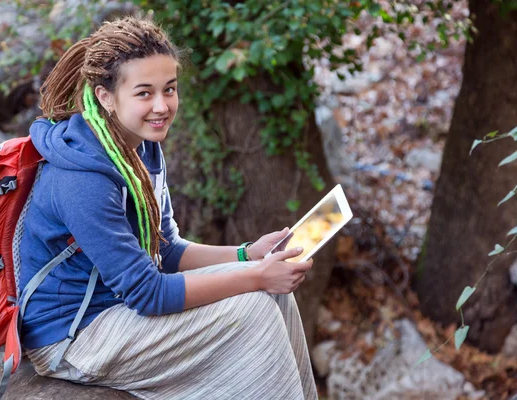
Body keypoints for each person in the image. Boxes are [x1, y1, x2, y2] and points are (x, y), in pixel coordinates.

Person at [18, 16, 318, 400]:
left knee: (276, 293)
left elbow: (167, 249)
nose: (161, 106)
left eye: (169, 89)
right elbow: (148, 292)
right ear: (105, 97)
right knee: (254, 308)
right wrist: (255, 276)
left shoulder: (141, 144)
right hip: (73, 335)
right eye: (144, 93)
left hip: (118, 307)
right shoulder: (82, 179)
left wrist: (248, 255)